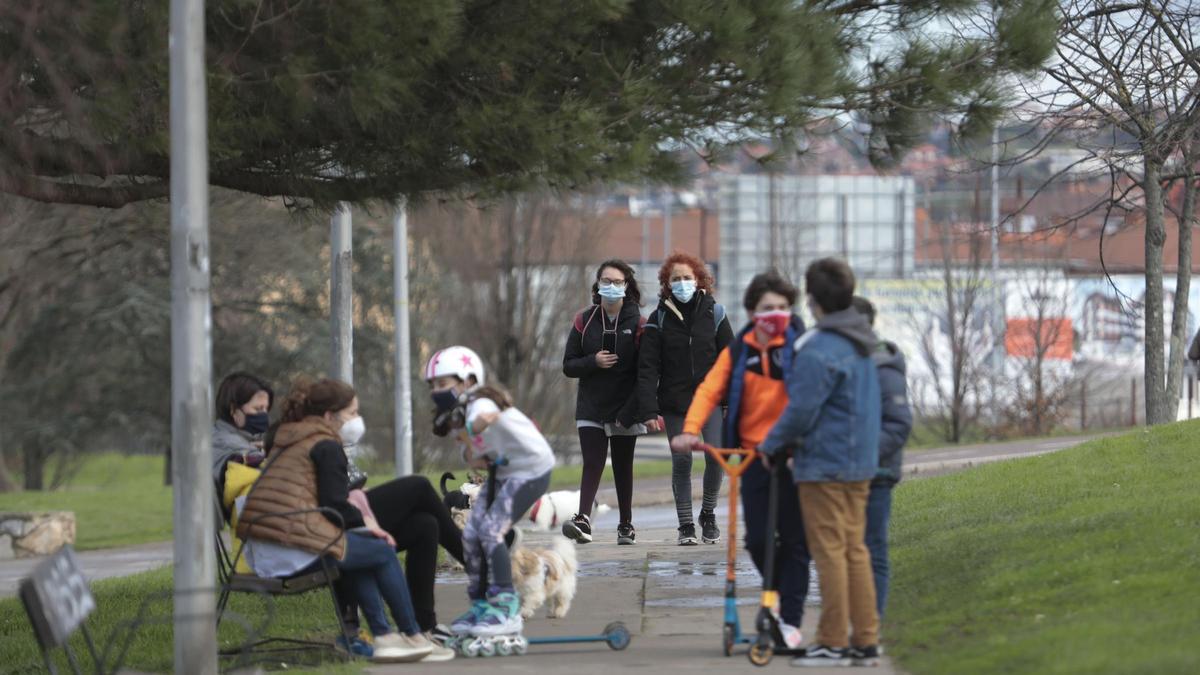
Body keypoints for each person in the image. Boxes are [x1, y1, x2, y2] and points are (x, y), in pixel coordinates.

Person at [236, 378, 451, 664]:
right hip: (290, 548)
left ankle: (385, 637)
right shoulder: (325, 445)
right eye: (351, 413)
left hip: (269, 547)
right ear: (329, 416)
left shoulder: (291, 436)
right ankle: (412, 634)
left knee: (358, 551)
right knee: (381, 550)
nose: (356, 420)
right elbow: (333, 505)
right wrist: (371, 526)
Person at [670, 270, 809, 650]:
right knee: (758, 540)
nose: (776, 314)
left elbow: (813, 401)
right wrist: (690, 428)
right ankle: (775, 596)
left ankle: (790, 622)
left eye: (782, 307)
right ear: (752, 311)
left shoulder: (800, 347)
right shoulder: (740, 350)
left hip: (795, 458)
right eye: (768, 308)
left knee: (797, 542)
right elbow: (710, 389)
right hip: (752, 459)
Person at [759, 259, 882, 667]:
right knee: (854, 551)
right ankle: (865, 639)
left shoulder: (818, 348)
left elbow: (801, 411)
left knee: (830, 552)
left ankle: (832, 640)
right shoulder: (862, 340)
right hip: (859, 462)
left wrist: (772, 442)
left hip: (825, 464)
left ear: (812, 301)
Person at [425, 345, 556, 640]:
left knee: (491, 531)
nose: (436, 390)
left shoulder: (479, 401)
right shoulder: (455, 415)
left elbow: (485, 417)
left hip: (532, 469)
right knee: (471, 532)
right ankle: (482, 604)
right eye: (433, 385)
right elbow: (471, 457)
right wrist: (471, 451)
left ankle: (505, 606)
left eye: (443, 384)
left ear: (468, 381)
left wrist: (475, 425)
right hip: (505, 473)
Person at [638, 251, 733, 546]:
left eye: (687, 278)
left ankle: (707, 513)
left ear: (699, 280)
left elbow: (729, 359)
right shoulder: (659, 318)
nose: (681, 283)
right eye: (675, 279)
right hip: (675, 402)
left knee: (716, 456)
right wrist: (649, 408)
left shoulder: (715, 313)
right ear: (667, 284)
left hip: (711, 400)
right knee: (682, 460)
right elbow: (648, 366)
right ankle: (685, 525)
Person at [561, 259, 647, 545]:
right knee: (593, 461)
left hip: (625, 407)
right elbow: (569, 365)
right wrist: (593, 362)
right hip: (591, 405)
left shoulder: (639, 323)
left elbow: (646, 374)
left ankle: (626, 524)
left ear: (627, 286)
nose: (611, 287)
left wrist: (632, 410)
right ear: (597, 285)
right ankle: (583, 518)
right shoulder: (583, 321)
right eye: (606, 281)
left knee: (623, 465)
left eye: (617, 282)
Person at [851, 296, 913, 621]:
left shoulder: (882, 363)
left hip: (876, 473)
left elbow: (899, 424)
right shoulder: (838, 361)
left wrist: (862, 455)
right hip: (841, 474)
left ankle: (870, 623)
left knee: (872, 548)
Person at [212, 372, 273, 480]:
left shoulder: (247, 440)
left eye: (266, 409)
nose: (264, 414)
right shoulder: (228, 445)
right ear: (234, 410)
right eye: (258, 409)